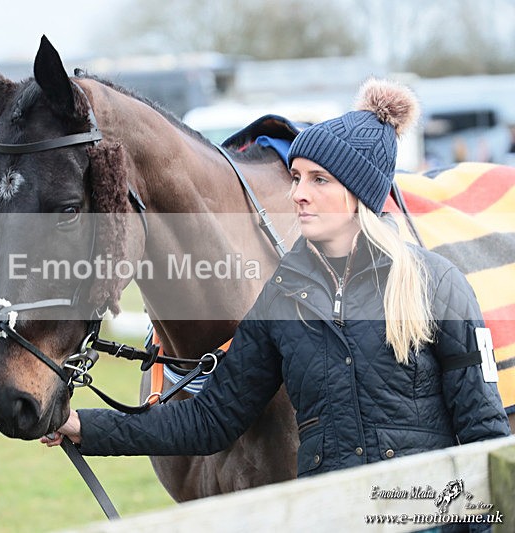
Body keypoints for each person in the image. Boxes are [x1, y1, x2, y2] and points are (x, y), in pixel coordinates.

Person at [43, 80, 510, 492]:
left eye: (319, 180)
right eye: (297, 177)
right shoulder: (283, 297)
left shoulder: (437, 284)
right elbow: (211, 419)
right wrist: (82, 425)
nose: (298, 193)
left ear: (357, 194)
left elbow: (484, 431)